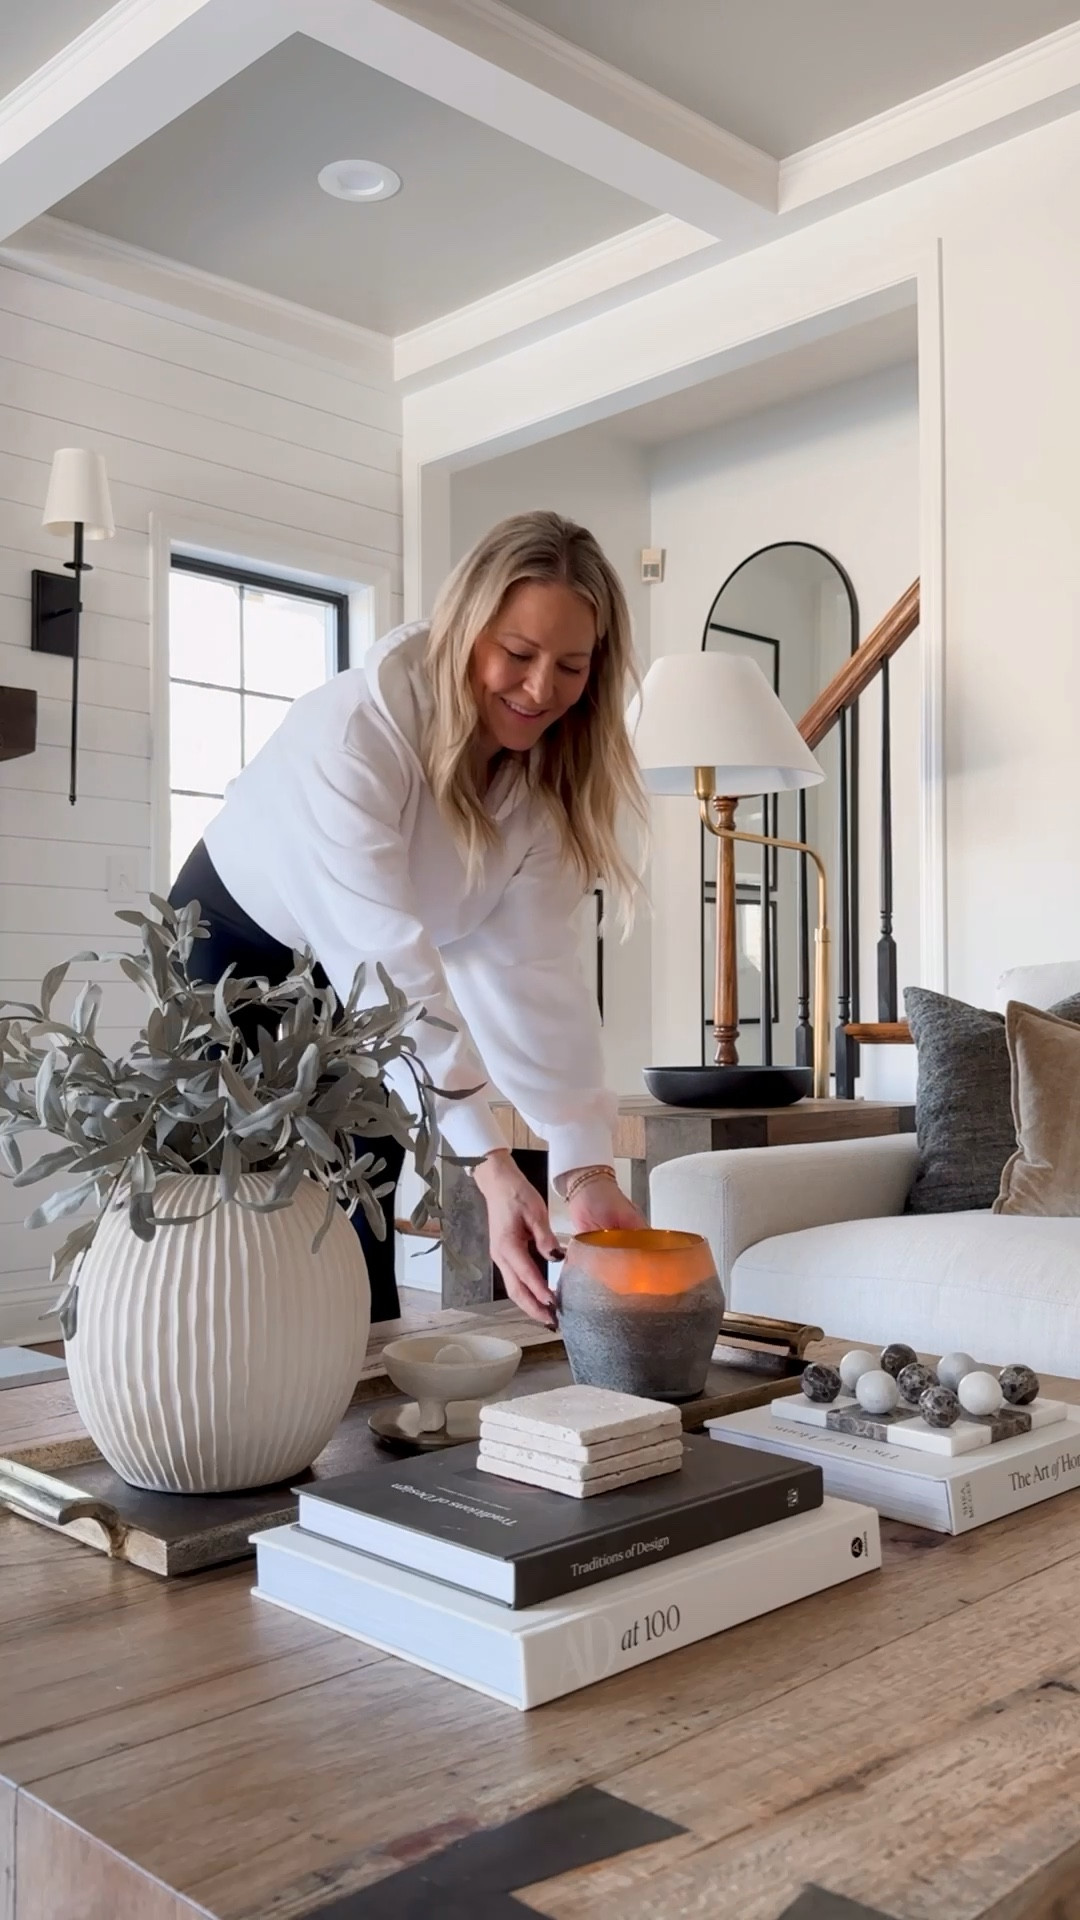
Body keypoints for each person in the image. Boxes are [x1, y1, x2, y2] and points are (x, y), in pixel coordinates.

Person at [169, 511, 647, 1323]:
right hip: (235, 955)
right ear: (465, 629)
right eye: (519, 654)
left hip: (369, 987)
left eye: (571, 667)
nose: (540, 691)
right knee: (234, 1226)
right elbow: (384, 964)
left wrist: (583, 1169)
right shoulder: (353, 732)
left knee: (360, 1215)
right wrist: (491, 1167)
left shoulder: (537, 789)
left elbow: (533, 972)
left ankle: (368, 1427)